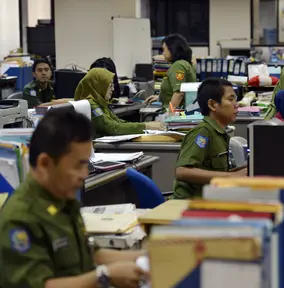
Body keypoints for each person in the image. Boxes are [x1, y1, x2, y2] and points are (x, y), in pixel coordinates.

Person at [0, 109, 148, 288]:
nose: (84, 175)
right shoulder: (20, 218)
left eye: (86, 164)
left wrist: (146, 258)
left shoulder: (62, 198)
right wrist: (105, 276)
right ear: (45, 163)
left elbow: (89, 254)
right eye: (78, 166)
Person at [172, 78, 247, 199]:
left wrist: (242, 171)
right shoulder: (203, 132)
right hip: (191, 203)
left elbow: (215, 172)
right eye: (230, 99)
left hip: (211, 199)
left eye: (235, 99)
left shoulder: (219, 133)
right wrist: (230, 177)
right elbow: (182, 171)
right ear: (212, 104)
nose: (236, 105)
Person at [74, 68, 163, 138]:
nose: (112, 89)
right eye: (109, 85)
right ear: (99, 85)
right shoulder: (91, 104)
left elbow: (118, 122)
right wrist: (146, 126)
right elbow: (113, 128)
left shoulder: (100, 103)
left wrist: (147, 126)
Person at [145, 34, 196, 109]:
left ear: (172, 49)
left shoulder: (179, 65)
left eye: (164, 49)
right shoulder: (185, 63)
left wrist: (169, 116)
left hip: (178, 114)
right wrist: (160, 97)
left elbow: (179, 93)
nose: (163, 53)